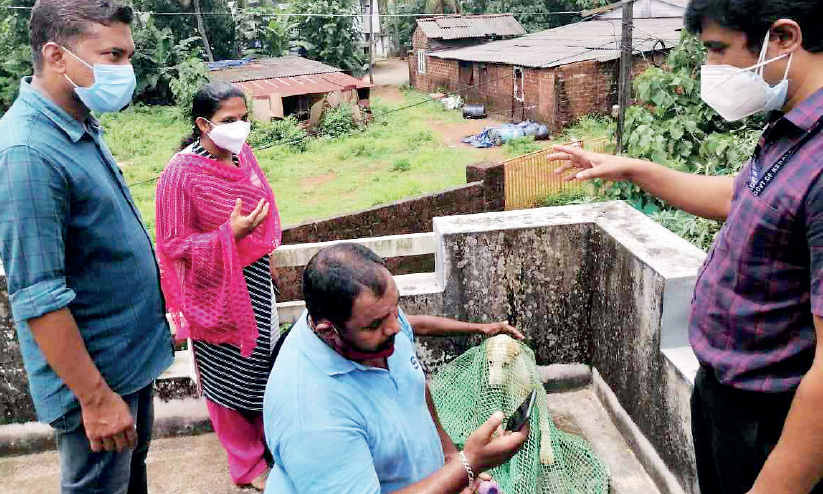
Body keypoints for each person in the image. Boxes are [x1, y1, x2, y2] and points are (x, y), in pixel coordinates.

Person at [548, 1, 823, 493]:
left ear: (782, 38)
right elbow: (736, 198)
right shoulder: (791, 131)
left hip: (772, 422)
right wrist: (632, 167)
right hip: (727, 400)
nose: (711, 70)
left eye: (718, 50)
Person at [0, 0, 174, 492]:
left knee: (127, 480)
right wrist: (96, 400)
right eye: (113, 55)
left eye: (128, 56)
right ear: (56, 56)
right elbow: (38, 295)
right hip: (94, 384)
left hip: (126, 361)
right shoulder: (27, 153)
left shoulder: (75, 123)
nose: (126, 71)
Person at [263, 242, 528, 494]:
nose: (396, 327)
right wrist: (469, 466)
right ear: (328, 330)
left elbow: (412, 385)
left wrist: (451, 460)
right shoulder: (309, 416)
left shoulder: (376, 319)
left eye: (395, 308)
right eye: (376, 324)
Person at [154, 81, 282, 491]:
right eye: (230, 120)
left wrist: (259, 250)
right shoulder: (180, 173)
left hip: (255, 281)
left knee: (262, 367)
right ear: (203, 124)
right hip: (213, 289)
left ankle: (271, 447)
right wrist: (228, 234)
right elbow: (173, 244)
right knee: (226, 375)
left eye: (245, 118)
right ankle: (246, 465)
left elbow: (260, 208)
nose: (240, 128)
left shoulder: (244, 156)